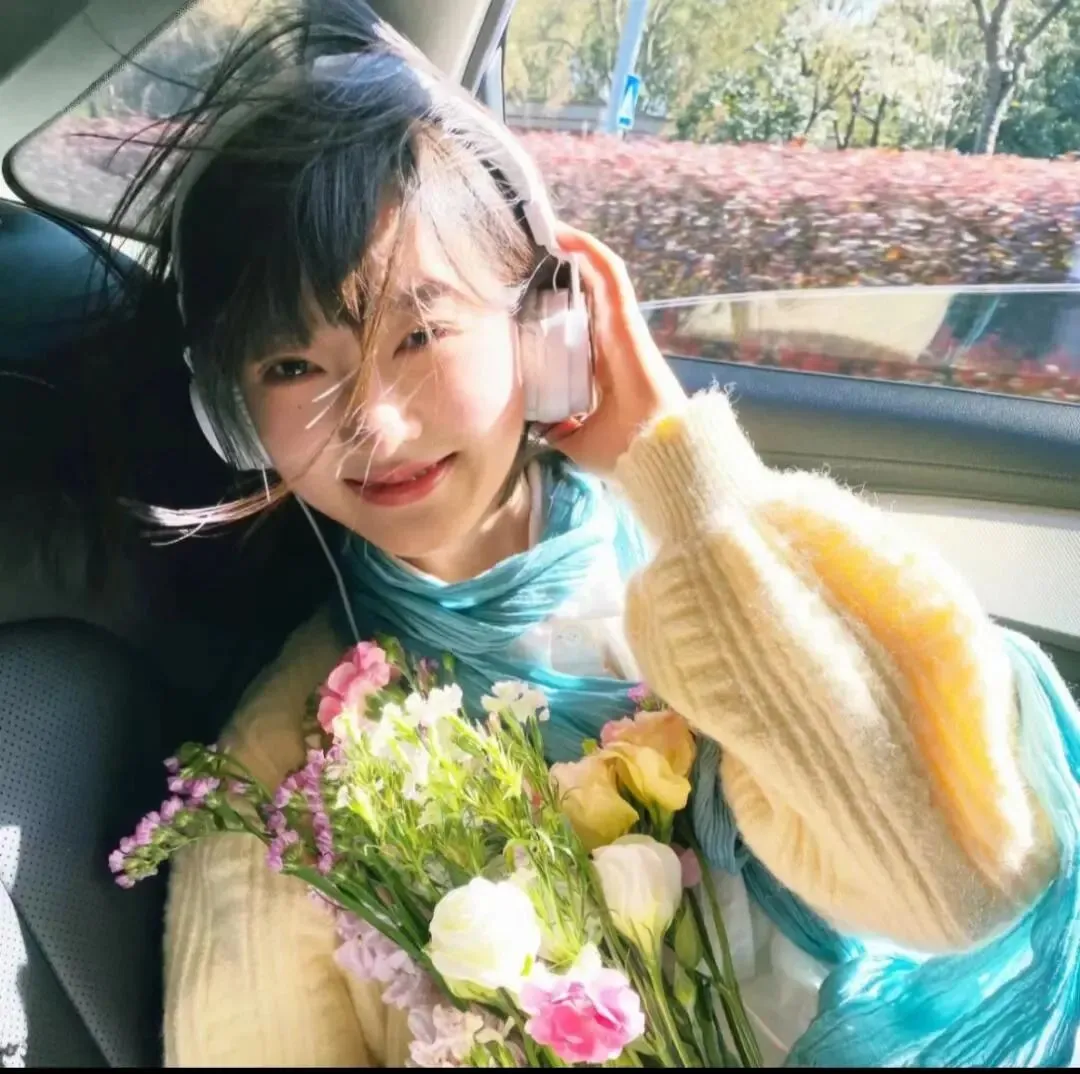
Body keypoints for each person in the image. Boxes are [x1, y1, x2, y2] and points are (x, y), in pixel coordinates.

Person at [115, 1, 1080, 1066]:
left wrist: (682, 474)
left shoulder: (712, 581)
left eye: (420, 333)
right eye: (293, 367)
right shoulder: (277, 790)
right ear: (232, 413)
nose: (375, 424)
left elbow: (957, 885)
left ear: (550, 326)